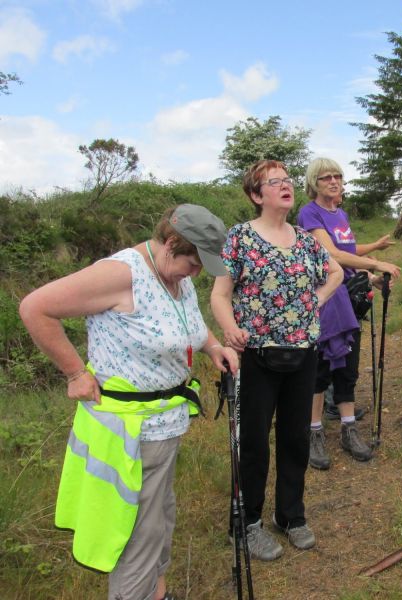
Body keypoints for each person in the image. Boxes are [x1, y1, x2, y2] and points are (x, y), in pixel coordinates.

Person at [18, 204, 238, 600]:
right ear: (171, 243)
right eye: (193, 262)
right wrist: (75, 373)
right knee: (138, 531)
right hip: (130, 432)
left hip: (165, 423)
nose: (196, 273)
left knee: (160, 515)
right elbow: (35, 307)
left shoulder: (175, 276)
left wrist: (213, 347)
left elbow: (187, 321)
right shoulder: (121, 274)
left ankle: (158, 592)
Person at [210, 159, 343, 561]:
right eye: (274, 182)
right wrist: (230, 328)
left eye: (287, 180)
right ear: (256, 195)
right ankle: (246, 523)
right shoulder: (239, 238)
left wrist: (316, 300)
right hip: (256, 356)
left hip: (303, 353)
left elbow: (335, 272)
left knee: (295, 438)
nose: (286, 186)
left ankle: (290, 515)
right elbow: (220, 295)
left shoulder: (305, 239)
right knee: (252, 441)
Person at [297, 157, 400, 470]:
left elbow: (349, 256)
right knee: (321, 368)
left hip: (347, 298)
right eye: (326, 177)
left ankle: (348, 428)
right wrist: (376, 262)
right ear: (314, 183)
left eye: (338, 176)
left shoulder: (340, 214)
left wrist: (371, 278)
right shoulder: (309, 213)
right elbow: (330, 254)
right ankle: (314, 432)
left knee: (348, 366)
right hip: (324, 297)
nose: (333, 181)